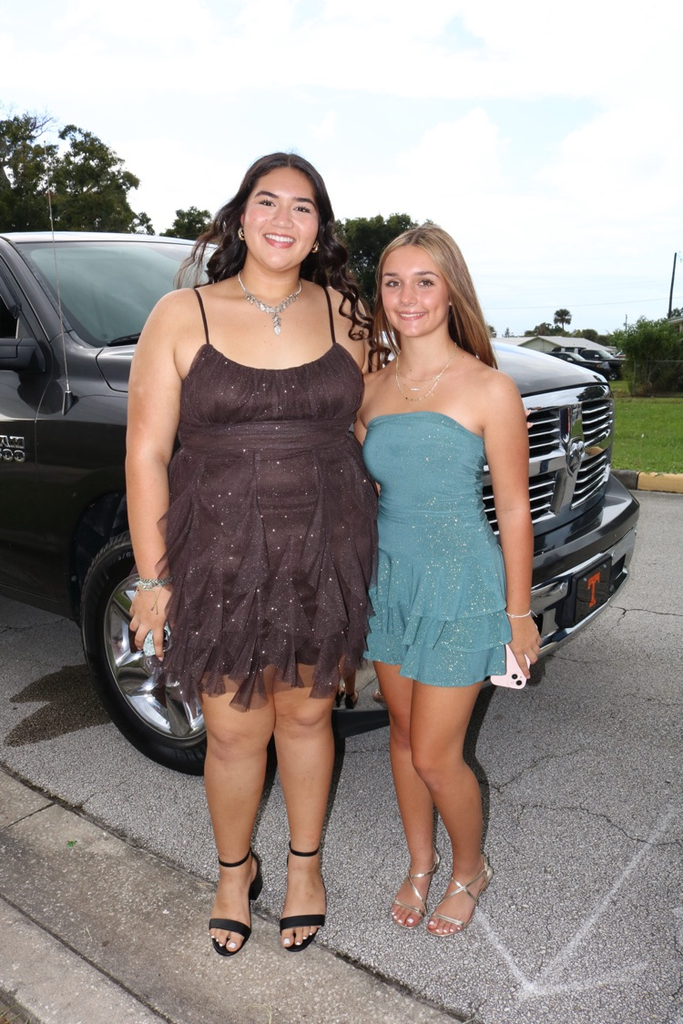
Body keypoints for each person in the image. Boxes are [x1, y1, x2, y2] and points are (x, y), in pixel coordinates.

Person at [125, 153, 377, 957]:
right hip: (221, 551)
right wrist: (152, 576)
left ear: (318, 229)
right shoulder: (180, 313)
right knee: (234, 730)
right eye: (266, 201)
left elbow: (380, 425)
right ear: (240, 217)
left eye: (302, 207)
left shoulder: (347, 311)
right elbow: (143, 453)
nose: (282, 218)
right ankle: (234, 872)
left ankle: (305, 867)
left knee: (306, 713)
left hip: (326, 547)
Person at [355, 224, 541, 936]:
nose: (407, 297)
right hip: (390, 584)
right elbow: (367, 496)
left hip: (463, 585)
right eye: (393, 282)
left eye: (424, 281)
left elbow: (516, 509)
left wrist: (517, 614)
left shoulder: (489, 387)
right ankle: (420, 863)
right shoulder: (369, 390)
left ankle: (470, 869)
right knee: (400, 737)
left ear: (451, 290)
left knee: (435, 753)